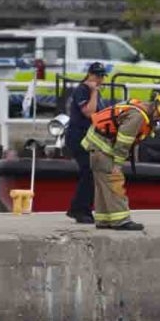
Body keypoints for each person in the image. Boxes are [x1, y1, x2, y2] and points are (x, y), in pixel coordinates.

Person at [80, 94, 160, 230]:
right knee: (115, 183)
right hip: (103, 150)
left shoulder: (137, 107)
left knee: (103, 186)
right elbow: (123, 142)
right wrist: (117, 164)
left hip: (96, 148)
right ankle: (121, 220)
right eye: (159, 115)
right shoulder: (137, 117)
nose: (159, 119)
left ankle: (104, 220)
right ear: (155, 106)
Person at [65, 62, 107, 224]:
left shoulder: (92, 91)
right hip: (78, 137)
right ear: (89, 75)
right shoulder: (83, 90)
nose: (100, 79)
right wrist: (94, 91)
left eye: (102, 76)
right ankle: (79, 209)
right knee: (88, 172)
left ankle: (81, 208)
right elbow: (89, 112)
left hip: (89, 138)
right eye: (97, 75)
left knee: (90, 172)